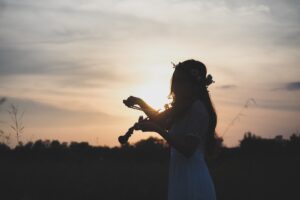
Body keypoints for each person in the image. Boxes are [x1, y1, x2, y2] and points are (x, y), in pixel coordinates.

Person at [125, 59, 218, 200]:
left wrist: (158, 130)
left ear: (193, 84)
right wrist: (140, 102)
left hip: (192, 179)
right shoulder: (183, 107)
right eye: (174, 81)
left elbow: (188, 149)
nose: (175, 86)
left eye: (180, 81)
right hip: (180, 176)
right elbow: (160, 120)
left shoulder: (197, 108)